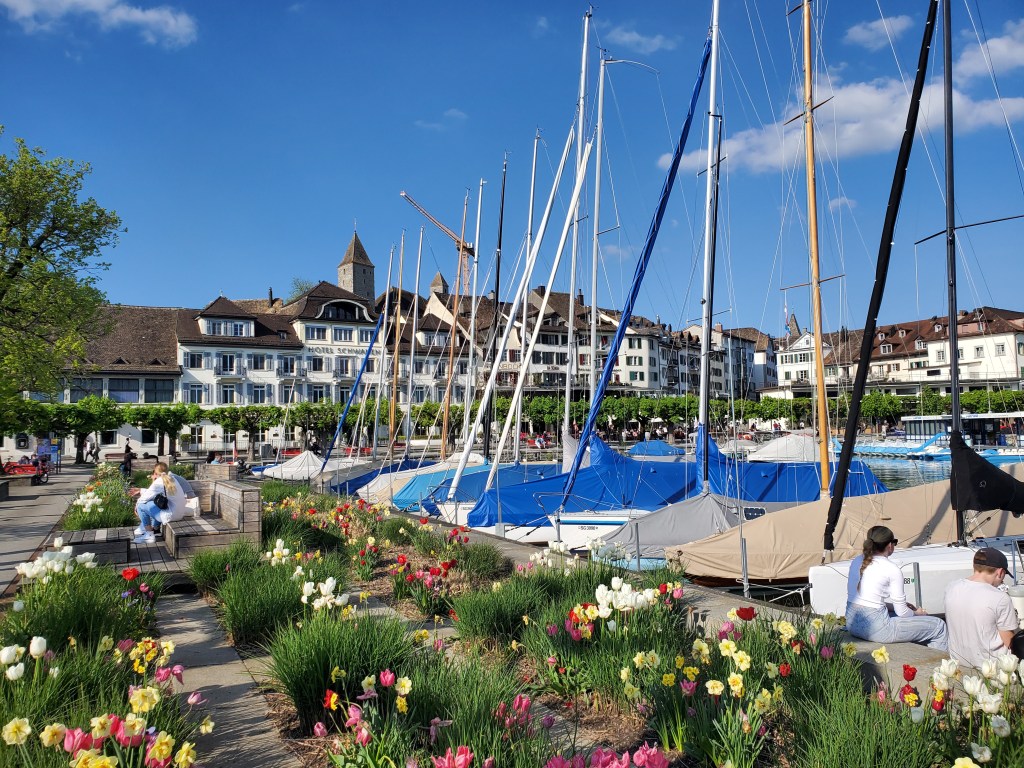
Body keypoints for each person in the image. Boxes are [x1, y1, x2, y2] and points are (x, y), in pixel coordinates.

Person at [845, 526, 948, 649]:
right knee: (938, 626)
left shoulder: (857, 561)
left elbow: (868, 600)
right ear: (889, 545)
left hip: (851, 624)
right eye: (894, 542)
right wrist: (918, 613)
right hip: (878, 630)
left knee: (915, 623)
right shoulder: (891, 569)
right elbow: (902, 613)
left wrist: (893, 606)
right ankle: (940, 668)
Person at [944, 548, 1020, 668]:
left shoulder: (951, 588)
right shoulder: (1000, 598)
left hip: (959, 661)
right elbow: (1010, 642)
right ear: (1000, 572)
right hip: (992, 666)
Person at [128, 462, 186, 544]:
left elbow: (145, 498)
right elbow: (153, 494)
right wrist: (141, 490)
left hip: (170, 515)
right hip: (179, 513)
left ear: (155, 472)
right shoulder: (172, 479)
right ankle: (155, 528)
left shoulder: (159, 482)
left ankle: (149, 535)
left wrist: (136, 506)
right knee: (154, 502)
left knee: (141, 506)